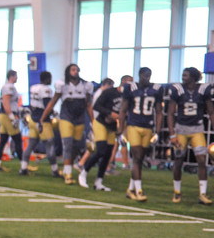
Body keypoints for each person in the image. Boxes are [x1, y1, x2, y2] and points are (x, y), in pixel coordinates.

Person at [165, 67, 213, 205]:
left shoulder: (203, 90)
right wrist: (172, 134)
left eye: (185, 75)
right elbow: (170, 113)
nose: (183, 77)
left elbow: (211, 112)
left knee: (202, 161)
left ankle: (203, 194)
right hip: (181, 130)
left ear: (193, 77)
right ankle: (177, 192)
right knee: (178, 160)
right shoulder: (178, 90)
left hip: (197, 129)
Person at [38, 64, 93, 184]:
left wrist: (93, 121)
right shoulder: (62, 85)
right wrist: (43, 118)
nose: (75, 72)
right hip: (66, 117)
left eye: (77, 70)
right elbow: (53, 102)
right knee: (67, 144)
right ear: (68, 71)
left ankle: (67, 168)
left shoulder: (85, 85)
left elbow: (88, 104)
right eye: (73, 70)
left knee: (76, 146)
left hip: (79, 118)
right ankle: (68, 173)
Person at [118, 67, 162, 202]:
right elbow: (123, 109)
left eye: (148, 76)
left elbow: (159, 111)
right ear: (139, 75)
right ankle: (139, 191)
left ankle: (130, 189)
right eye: (144, 76)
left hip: (148, 127)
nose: (146, 78)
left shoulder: (156, 89)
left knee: (140, 159)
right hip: (133, 126)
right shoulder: (130, 88)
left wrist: (157, 132)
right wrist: (121, 131)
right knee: (137, 157)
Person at [78, 78, 120, 191]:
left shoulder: (127, 97)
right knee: (100, 150)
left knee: (107, 154)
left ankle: (99, 181)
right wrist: (109, 114)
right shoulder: (107, 93)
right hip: (100, 122)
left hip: (112, 126)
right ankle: (84, 172)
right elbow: (95, 106)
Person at [20, 71, 58, 176]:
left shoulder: (34, 87)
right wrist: (53, 113)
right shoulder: (46, 90)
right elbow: (47, 106)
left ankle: (23, 168)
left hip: (33, 120)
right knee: (49, 146)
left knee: (30, 145)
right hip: (43, 121)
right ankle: (55, 170)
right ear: (47, 79)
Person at [0, 70, 23, 171]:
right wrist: (12, 117)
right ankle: (23, 165)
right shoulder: (9, 87)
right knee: (18, 140)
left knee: (3, 140)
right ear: (12, 76)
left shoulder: (7, 87)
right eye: (16, 76)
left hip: (4, 115)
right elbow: (6, 103)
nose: (17, 78)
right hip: (7, 116)